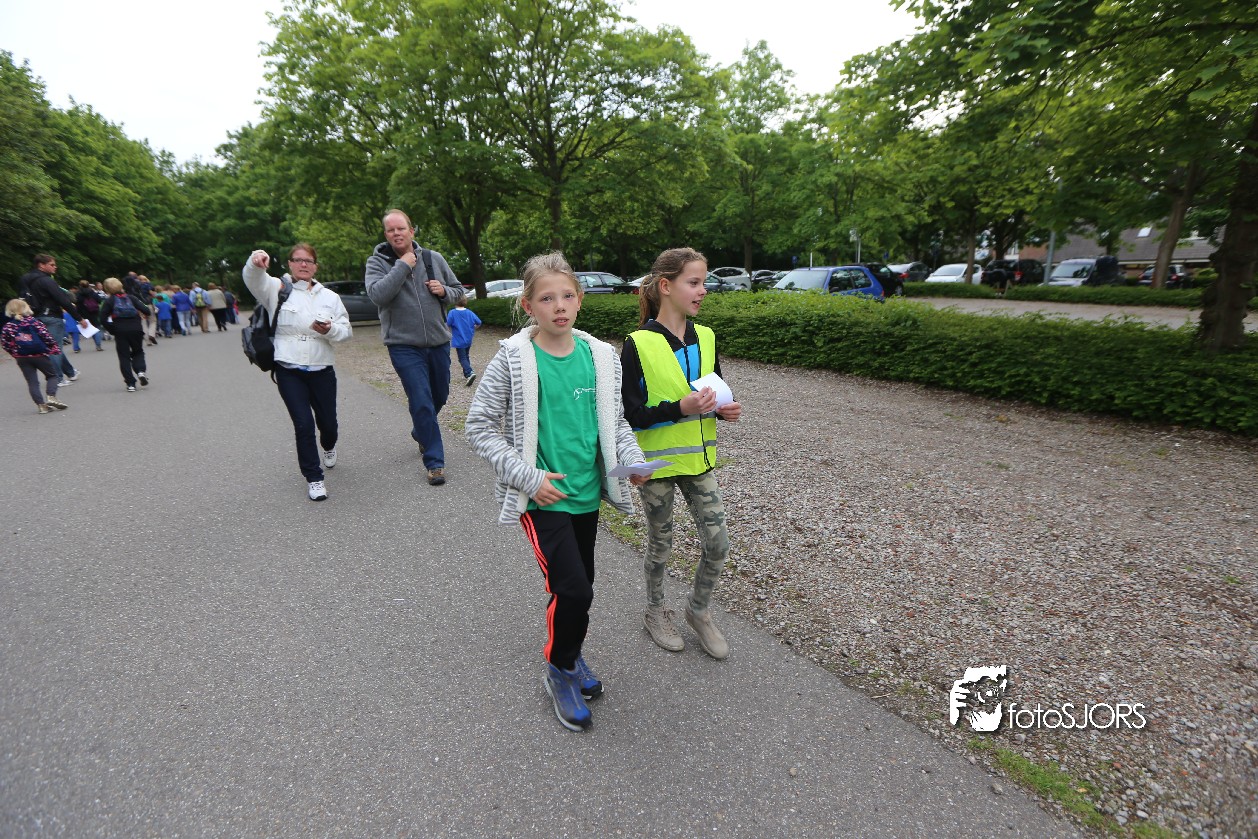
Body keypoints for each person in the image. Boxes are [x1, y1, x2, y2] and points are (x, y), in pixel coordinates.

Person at [466, 251, 647, 733]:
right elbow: (478, 426)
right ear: (528, 306)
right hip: (542, 497)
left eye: (567, 295)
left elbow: (614, 421)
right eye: (547, 298)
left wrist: (631, 461)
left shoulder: (601, 357)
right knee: (572, 588)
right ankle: (559, 669)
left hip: (587, 494)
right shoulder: (514, 359)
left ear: (580, 299)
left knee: (579, 587)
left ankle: (570, 650)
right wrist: (530, 479)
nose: (559, 306)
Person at [621, 247, 743, 661]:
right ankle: (656, 611)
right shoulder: (637, 344)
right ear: (666, 286)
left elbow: (713, 388)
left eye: (704, 282)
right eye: (694, 282)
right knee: (661, 543)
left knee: (719, 544)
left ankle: (698, 610)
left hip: (699, 461)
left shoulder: (706, 336)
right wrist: (679, 409)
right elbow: (630, 414)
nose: (703, 290)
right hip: (656, 466)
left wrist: (724, 409)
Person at [364, 209, 467, 486]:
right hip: (403, 345)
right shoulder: (377, 262)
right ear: (386, 235)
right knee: (421, 399)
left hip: (438, 341)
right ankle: (435, 463)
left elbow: (459, 291)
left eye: (401, 228)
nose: (396, 233)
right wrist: (403, 266)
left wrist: (444, 291)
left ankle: (421, 430)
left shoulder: (433, 258)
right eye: (390, 230)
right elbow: (378, 295)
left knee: (440, 395)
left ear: (411, 231)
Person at [243, 244, 352, 502]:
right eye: (298, 260)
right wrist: (255, 261)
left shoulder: (330, 297)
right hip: (289, 369)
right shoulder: (276, 288)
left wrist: (330, 330)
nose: (303, 264)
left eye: (308, 261)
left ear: (315, 266)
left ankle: (328, 445)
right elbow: (253, 279)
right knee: (303, 424)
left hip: (322, 368)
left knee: (328, 424)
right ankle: (314, 477)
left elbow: (346, 331)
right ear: (290, 264)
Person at [18, 253, 85, 385]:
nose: (55, 267)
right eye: (52, 264)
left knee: (51, 346)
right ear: (41, 265)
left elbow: (21, 298)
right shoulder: (47, 281)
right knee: (54, 348)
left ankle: (70, 372)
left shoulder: (24, 279)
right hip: (52, 317)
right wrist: (79, 318)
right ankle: (57, 378)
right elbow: (63, 300)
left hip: (34, 317)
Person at [2, 299, 69, 413]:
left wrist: (14, 353)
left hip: (22, 358)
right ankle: (51, 397)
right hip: (39, 354)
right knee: (52, 376)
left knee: (32, 382)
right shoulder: (34, 322)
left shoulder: (8, 326)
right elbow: (46, 336)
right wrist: (53, 348)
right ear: (25, 308)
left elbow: (5, 343)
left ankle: (41, 406)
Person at [99, 276, 151, 392]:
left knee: (124, 356)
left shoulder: (109, 301)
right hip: (136, 328)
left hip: (120, 330)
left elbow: (102, 319)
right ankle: (140, 371)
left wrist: (112, 329)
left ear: (107, 289)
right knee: (138, 351)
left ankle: (130, 383)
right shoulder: (131, 298)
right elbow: (146, 310)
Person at [446, 298, 482, 386]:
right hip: (468, 338)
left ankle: (469, 372)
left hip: (459, 339)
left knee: (462, 358)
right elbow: (479, 322)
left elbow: (447, 324)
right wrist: (473, 329)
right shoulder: (469, 312)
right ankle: (467, 374)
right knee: (466, 356)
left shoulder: (452, 313)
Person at [75, 280, 105, 351]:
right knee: (97, 327)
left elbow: (77, 304)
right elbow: (99, 300)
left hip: (84, 313)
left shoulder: (79, 294)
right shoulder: (92, 292)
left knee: (91, 329)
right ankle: (98, 345)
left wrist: (78, 315)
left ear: (80, 285)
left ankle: (96, 343)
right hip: (94, 312)